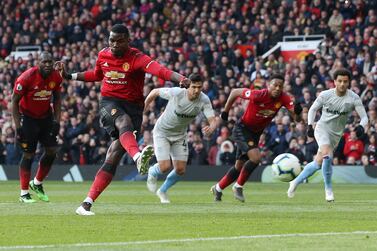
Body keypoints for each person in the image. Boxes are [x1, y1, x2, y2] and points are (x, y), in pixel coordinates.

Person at [58, 24, 190, 215]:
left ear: (128, 41)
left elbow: (159, 70)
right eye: (111, 40)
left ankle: (86, 204)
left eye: (119, 41)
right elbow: (96, 75)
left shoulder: (137, 58)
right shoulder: (103, 55)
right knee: (123, 122)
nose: (114, 44)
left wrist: (180, 78)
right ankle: (137, 158)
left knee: (113, 157)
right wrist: (70, 76)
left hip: (134, 107)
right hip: (109, 103)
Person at [211, 73, 302, 202]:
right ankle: (238, 186)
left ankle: (218, 188)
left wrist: (297, 112)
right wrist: (225, 112)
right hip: (242, 129)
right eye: (275, 85)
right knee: (256, 158)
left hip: (255, 133)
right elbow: (235, 92)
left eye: (280, 86)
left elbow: (297, 119)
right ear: (268, 85)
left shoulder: (284, 98)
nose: (277, 88)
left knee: (239, 166)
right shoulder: (258, 94)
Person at [287, 68, 368, 202]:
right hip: (322, 129)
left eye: (345, 81)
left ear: (349, 83)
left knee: (318, 163)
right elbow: (313, 109)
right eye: (340, 81)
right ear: (334, 82)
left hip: (336, 135)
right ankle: (328, 190)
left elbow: (364, 117)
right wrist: (310, 125)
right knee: (327, 155)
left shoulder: (353, 98)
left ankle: (295, 182)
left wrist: (361, 126)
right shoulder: (325, 95)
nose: (342, 84)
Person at [144, 73, 218, 203]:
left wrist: (211, 128)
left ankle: (162, 191)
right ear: (188, 86)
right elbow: (155, 91)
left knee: (180, 170)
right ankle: (152, 171)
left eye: (199, 87)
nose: (196, 90)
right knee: (165, 167)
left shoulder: (204, 100)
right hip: (162, 132)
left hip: (180, 135)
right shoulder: (177, 93)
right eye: (194, 87)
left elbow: (213, 120)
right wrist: (143, 109)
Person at [12, 51, 62, 203]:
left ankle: (37, 183)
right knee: (28, 154)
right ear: (38, 63)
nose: (47, 65)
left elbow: (58, 99)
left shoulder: (56, 77)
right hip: (28, 119)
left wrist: (57, 122)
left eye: (49, 62)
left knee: (52, 151)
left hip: (46, 118)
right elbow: (14, 102)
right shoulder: (26, 78)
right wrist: (18, 127)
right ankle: (24, 194)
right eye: (44, 62)